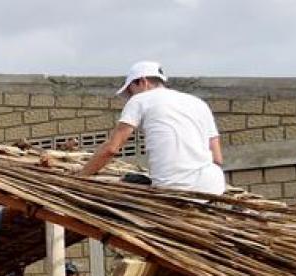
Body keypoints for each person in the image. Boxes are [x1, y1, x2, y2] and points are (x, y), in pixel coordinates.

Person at [80, 60, 225, 195]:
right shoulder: (198, 103)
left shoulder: (140, 100)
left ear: (143, 82)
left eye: (131, 91)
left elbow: (111, 149)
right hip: (214, 186)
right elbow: (217, 159)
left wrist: (81, 177)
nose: (130, 96)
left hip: (174, 187)